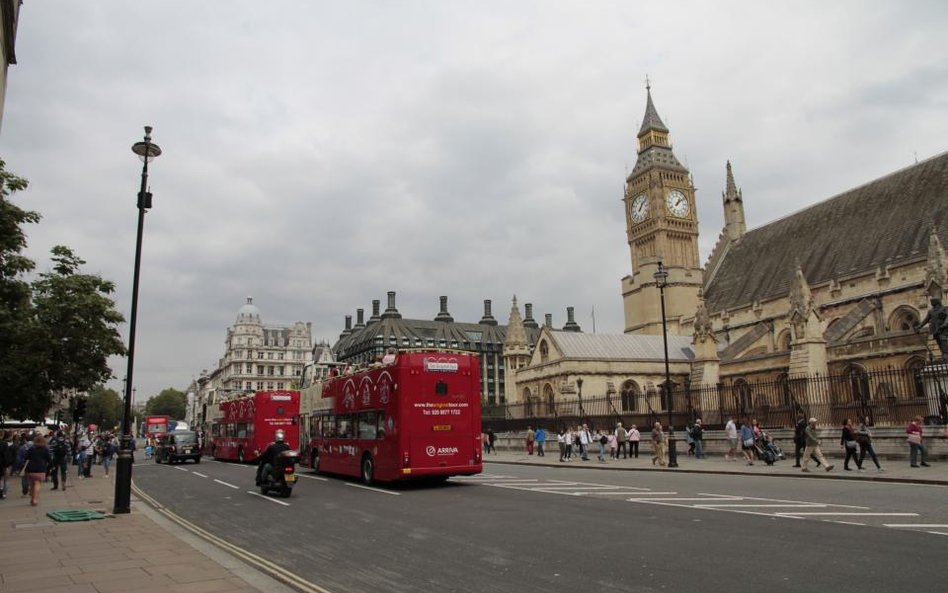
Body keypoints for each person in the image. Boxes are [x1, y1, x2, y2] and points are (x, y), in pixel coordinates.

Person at [23, 434, 52, 507]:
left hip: (31, 469)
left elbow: (26, 457)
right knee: (37, 483)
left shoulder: (31, 448)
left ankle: (32, 498)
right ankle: (35, 499)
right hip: (41, 468)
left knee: (32, 484)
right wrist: (51, 466)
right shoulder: (45, 449)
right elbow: (49, 459)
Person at [916, 297, 948, 362]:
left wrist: (945, 324)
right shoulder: (931, 311)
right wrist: (919, 326)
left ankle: (946, 355)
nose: (931, 303)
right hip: (935, 329)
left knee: (943, 341)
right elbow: (926, 320)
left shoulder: (944, 309)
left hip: (942, 328)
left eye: (932, 302)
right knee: (939, 342)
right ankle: (943, 355)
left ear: (936, 302)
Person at [0, 430, 13, 499]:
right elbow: (6, 455)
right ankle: (3, 494)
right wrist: (7, 465)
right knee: (6, 479)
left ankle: (1, 491)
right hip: (3, 464)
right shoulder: (4, 443)